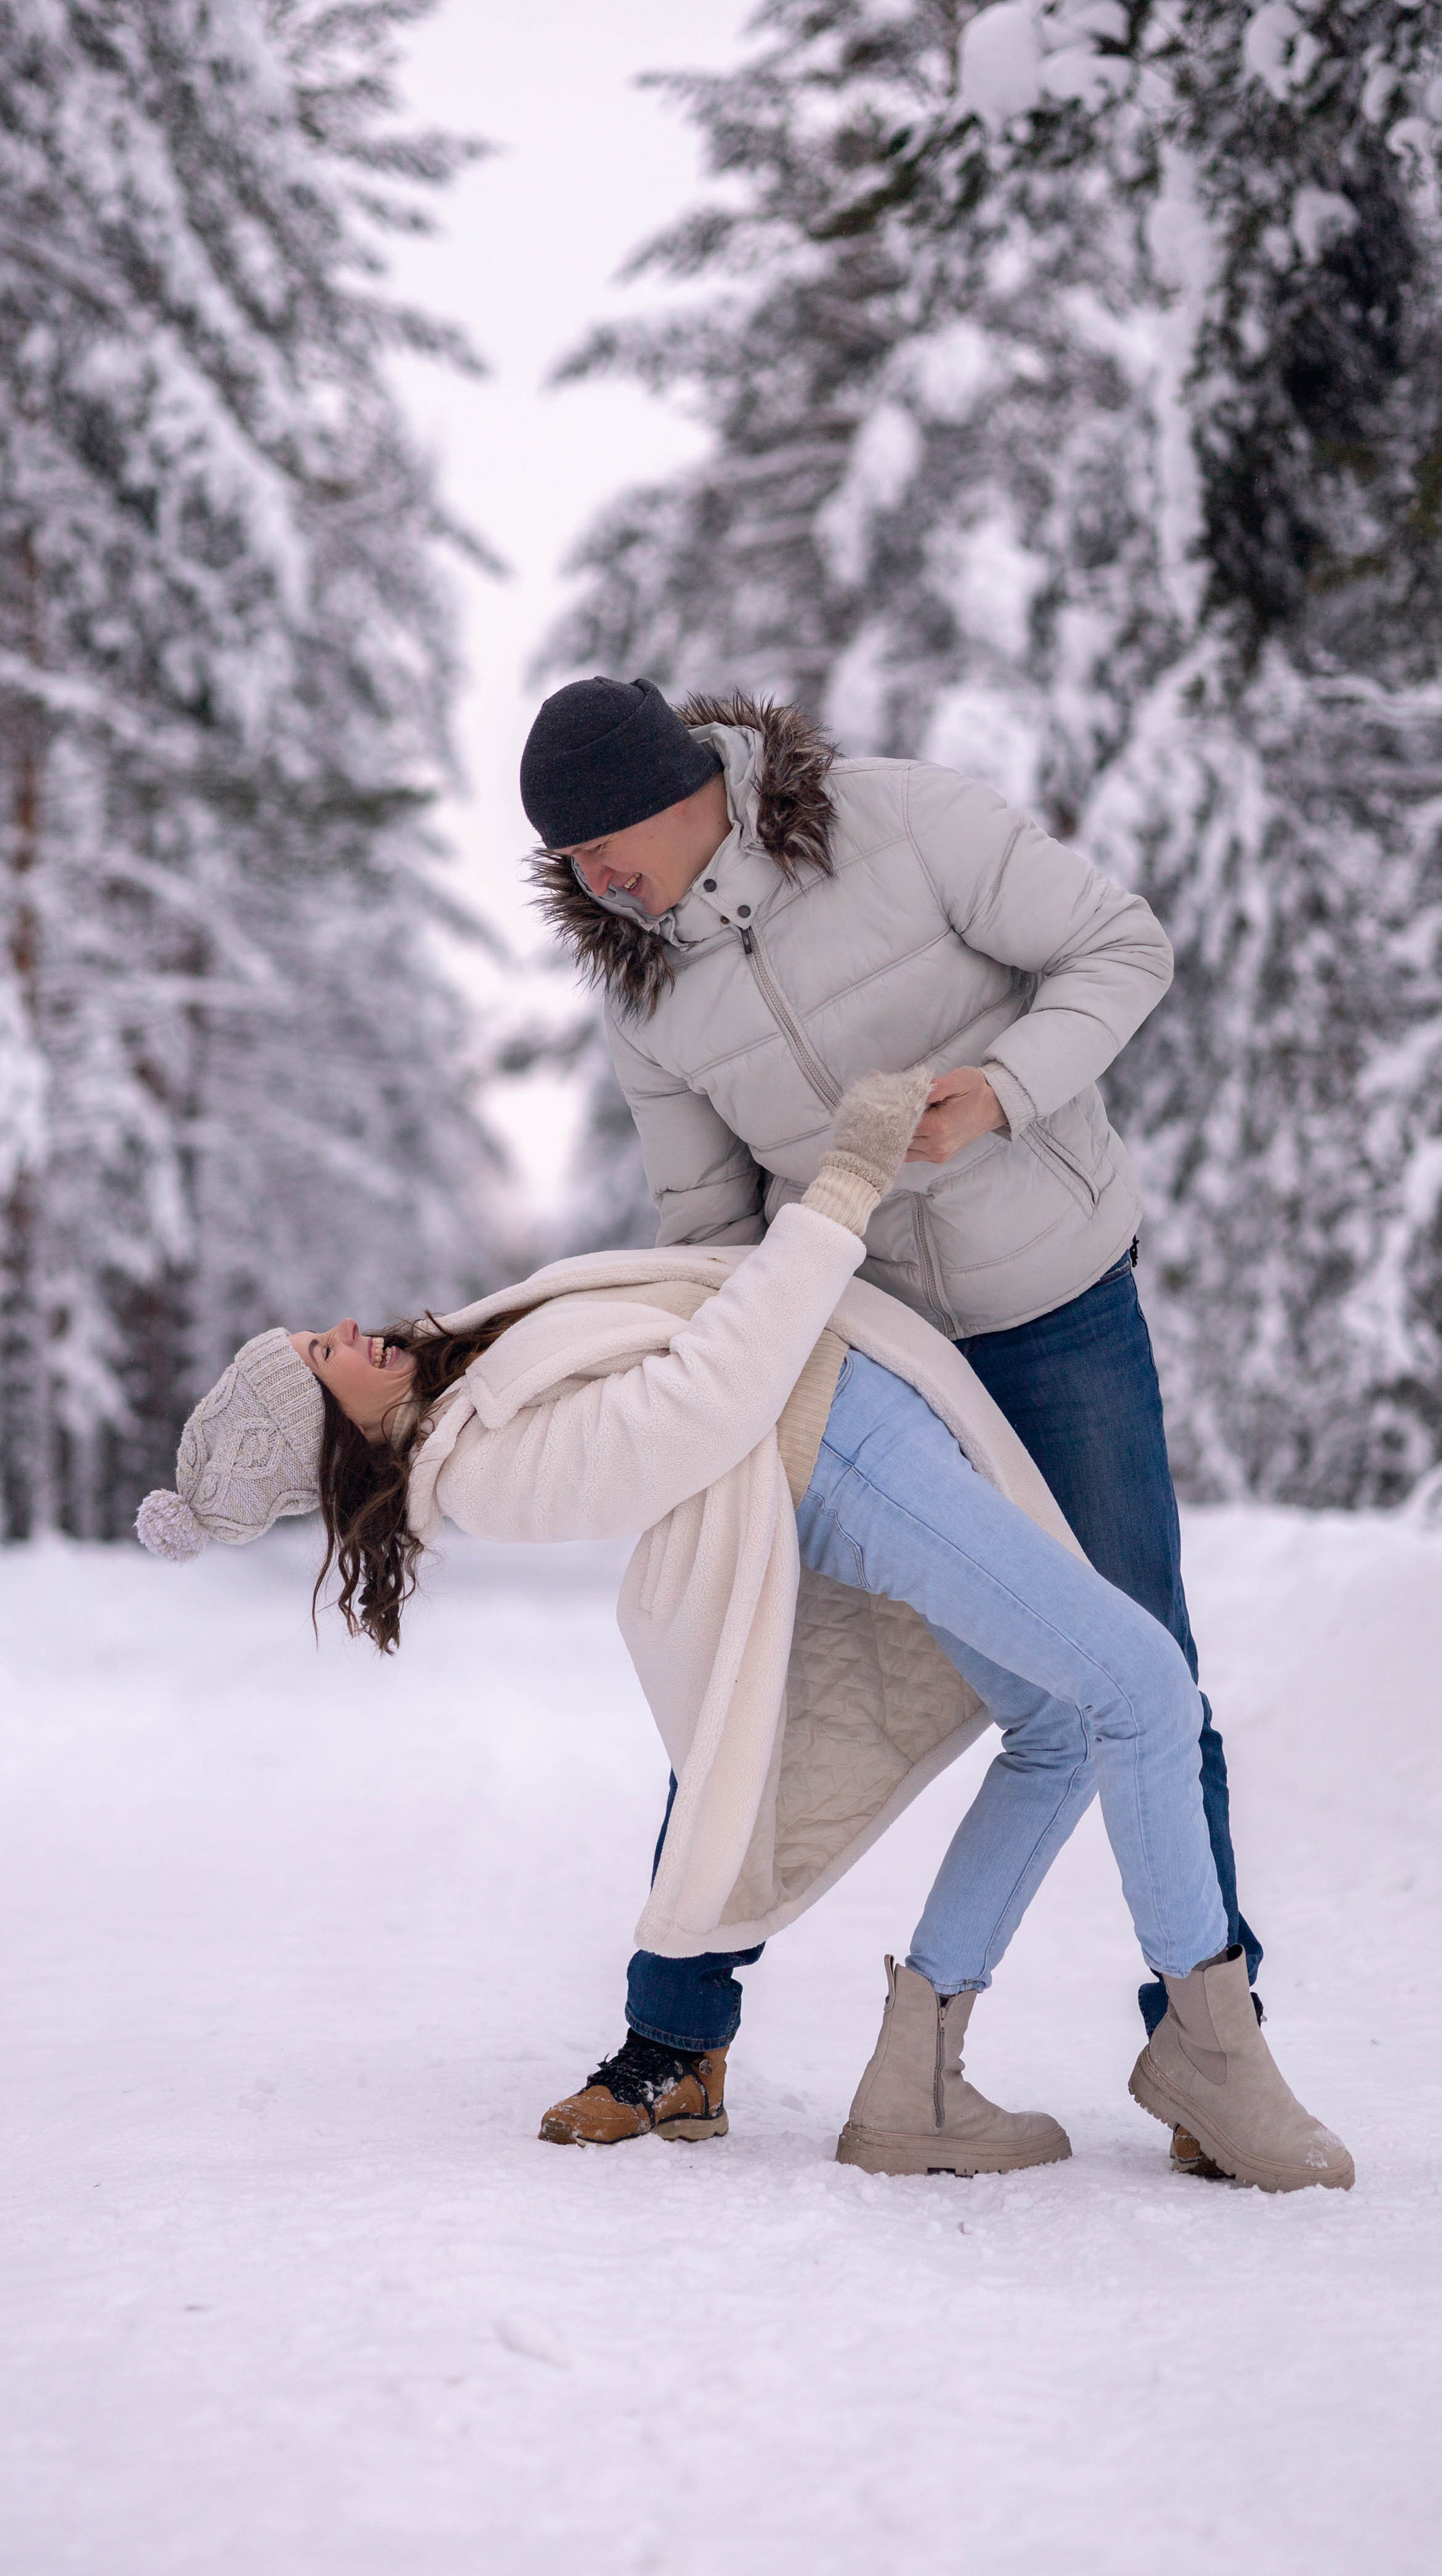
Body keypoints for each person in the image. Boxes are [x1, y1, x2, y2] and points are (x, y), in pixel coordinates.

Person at [135, 1075, 1352, 2195]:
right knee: (1143, 1685)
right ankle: (1209, 2051)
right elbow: (704, 1398)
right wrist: (844, 1185)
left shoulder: (462, 1379)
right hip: (845, 1457)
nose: (346, 1329)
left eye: (319, 1331)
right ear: (332, 1436)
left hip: (865, 1426)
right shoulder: (489, 1473)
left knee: (1059, 1730)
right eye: (320, 1357)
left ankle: (918, 2083)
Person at [519, 676, 1258, 2161]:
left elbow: (1122, 946)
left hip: (1055, 1307)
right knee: (745, 1667)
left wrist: (999, 1091)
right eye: (570, 861)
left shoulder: (905, 821)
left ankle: (1209, 2052)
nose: (598, 880)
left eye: (607, 844)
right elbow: (710, 1224)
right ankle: (674, 2044)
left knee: (1144, 1661)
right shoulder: (646, 992)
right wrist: (729, 1400)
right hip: (870, 1353)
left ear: (683, 789)